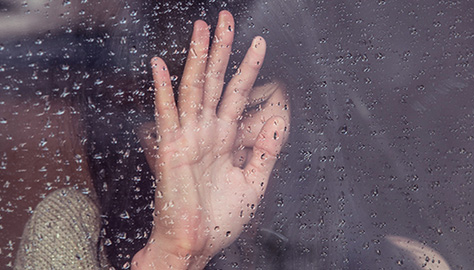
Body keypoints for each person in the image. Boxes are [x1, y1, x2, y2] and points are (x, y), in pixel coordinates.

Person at [13, 10, 290, 269]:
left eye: (250, 108)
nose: (220, 142)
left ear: (298, 98)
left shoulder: (322, 221)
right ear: (131, 142)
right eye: (169, 130)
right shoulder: (71, 231)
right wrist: (172, 255)